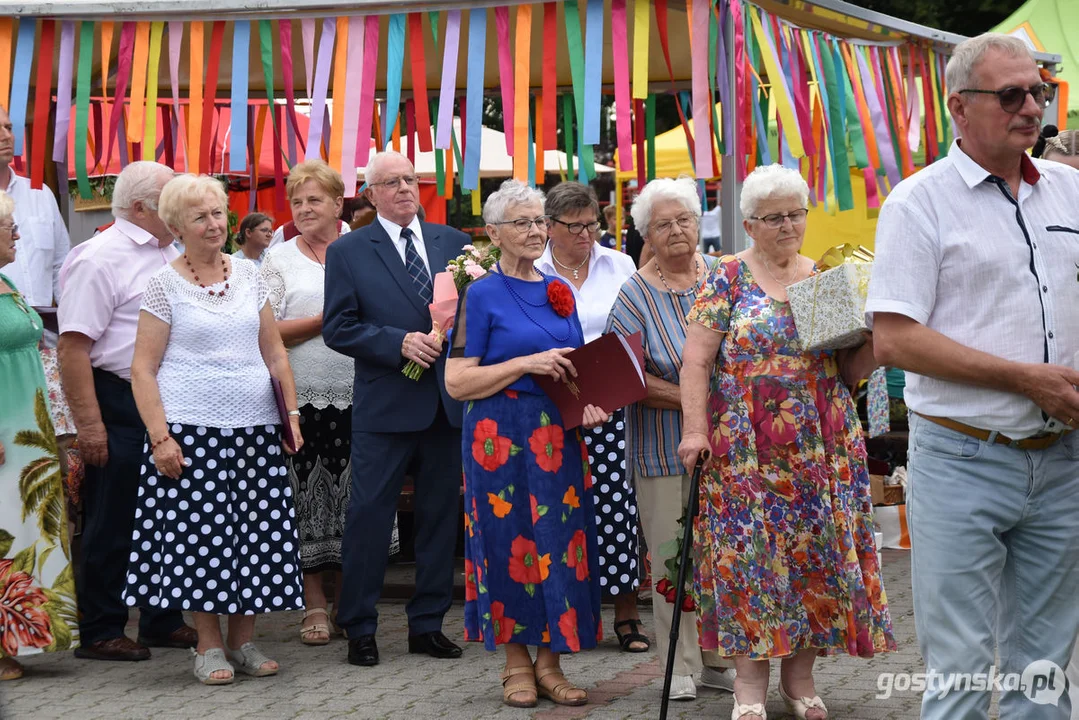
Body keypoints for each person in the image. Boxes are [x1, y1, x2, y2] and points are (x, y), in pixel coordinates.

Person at [869, 33, 1079, 720]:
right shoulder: (916, 203)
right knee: (958, 674)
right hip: (962, 456)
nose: (1031, 108)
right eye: (1011, 94)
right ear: (957, 106)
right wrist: (1026, 379)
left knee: (1045, 671)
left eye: (1038, 92)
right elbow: (892, 339)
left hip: (1062, 459)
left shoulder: (1071, 193)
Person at [678, 164, 894, 720]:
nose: (787, 225)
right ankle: (749, 689)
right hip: (745, 449)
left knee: (813, 557)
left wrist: (875, 337)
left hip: (821, 447)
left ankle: (800, 682)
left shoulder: (822, 275)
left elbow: (846, 372)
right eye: (774, 217)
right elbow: (696, 360)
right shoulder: (725, 277)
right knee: (749, 559)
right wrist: (695, 431)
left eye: (795, 213)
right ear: (749, 224)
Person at [124, 173, 304, 685]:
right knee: (202, 541)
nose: (214, 224)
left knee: (255, 536)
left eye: (219, 213)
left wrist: (291, 417)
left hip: (255, 428)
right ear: (178, 225)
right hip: (191, 431)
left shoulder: (250, 274)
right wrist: (161, 438)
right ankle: (207, 646)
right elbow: (142, 369)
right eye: (201, 216)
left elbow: (274, 352)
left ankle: (244, 641)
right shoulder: (164, 283)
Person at [444, 179, 607, 708]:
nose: (536, 230)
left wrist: (594, 404)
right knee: (506, 540)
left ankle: (551, 664)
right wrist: (525, 364)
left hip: (557, 436)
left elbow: (576, 372)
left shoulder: (560, 292)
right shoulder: (481, 293)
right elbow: (457, 381)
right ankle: (515, 663)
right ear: (493, 233)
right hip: (497, 435)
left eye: (539, 221)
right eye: (522, 222)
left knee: (558, 543)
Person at [322, 150, 468, 667]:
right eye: (391, 182)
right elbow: (337, 327)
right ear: (370, 194)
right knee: (368, 516)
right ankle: (359, 625)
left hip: (446, 404)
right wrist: (397, 342)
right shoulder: (350, 251)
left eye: (410, 179)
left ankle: (427, 624)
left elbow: (473, 317)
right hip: (386, 405)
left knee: (437, 520)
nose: (404, 188)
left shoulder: (455, 243)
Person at [57, 161, 197, 662]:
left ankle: (163, 619)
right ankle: (100, 628)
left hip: (167, 395)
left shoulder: (172, 251)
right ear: (141, 207)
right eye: (170, 198)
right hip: (116, 397)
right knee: (113, 518)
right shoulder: (99, 258)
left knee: (168, 516)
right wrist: (90, 427)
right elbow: (73, 348)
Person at [606, 176, 734, 702]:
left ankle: (718, 657)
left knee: (720, 554)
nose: (678, 230)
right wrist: (692, 398)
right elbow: (624, 376)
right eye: (664, 224)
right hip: (662, 447)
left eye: (684, 218)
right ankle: (677, 661)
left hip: (730, 447)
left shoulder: (725, 276)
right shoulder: (634, 293)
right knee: (670, 556)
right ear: (646, 235)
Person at [533, 182, 646, 654]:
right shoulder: (533, 269)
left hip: (611, 403)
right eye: (574, 226)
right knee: (558, 509)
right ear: (550, 227)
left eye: (591, 223)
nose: (585, 233)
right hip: (550, 405)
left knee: (617, 507)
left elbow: (633, 328)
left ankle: (626, 614)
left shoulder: (618, 263)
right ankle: (566, 614)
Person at [261, 161, 363, 645]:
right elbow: (264, 328)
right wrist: (329, 319)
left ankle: (353, 603)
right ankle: (314, 606)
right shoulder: (277, 259)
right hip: (303, 397)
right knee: (305, 498)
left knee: (357, 498)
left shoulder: (363, 246)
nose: (303, 209)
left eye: (314, 200)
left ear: (338, 203)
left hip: (363, 392)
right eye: (297, 201)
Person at [0, 190, 79, 680]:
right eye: (9, 228)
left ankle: (17, 640)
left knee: (26, 532)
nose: (18, 235)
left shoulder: (5, 280)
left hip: (26, 432)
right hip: (5, 432)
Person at [0, 105, 70, 308]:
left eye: (9, 127)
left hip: (44, 329)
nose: (6, 136)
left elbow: (62, 266)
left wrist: (68, 323)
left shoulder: (40, 193)